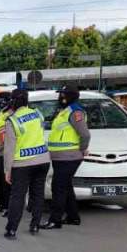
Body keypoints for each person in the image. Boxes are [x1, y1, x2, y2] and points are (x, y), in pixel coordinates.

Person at [3, 89, 50, 240]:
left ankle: (11, 230)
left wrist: (7, 170)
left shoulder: (13, 120)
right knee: (38, 194)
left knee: (17, 196)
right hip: (42, 160)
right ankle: (35, 225)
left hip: (22, 164)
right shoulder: (38, 114)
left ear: (13, 101)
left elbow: (9, 148)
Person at [41, 85, 90, 229]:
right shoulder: (65, 111)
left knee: (58, 187)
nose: (60, 97)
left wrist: (82, 149)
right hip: (60, 157)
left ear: (69, 96)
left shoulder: (75, 112)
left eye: (62, 95)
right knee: (66, 187)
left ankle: (55, 220)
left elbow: (85, 134)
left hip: (69, 157)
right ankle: (73, 217)